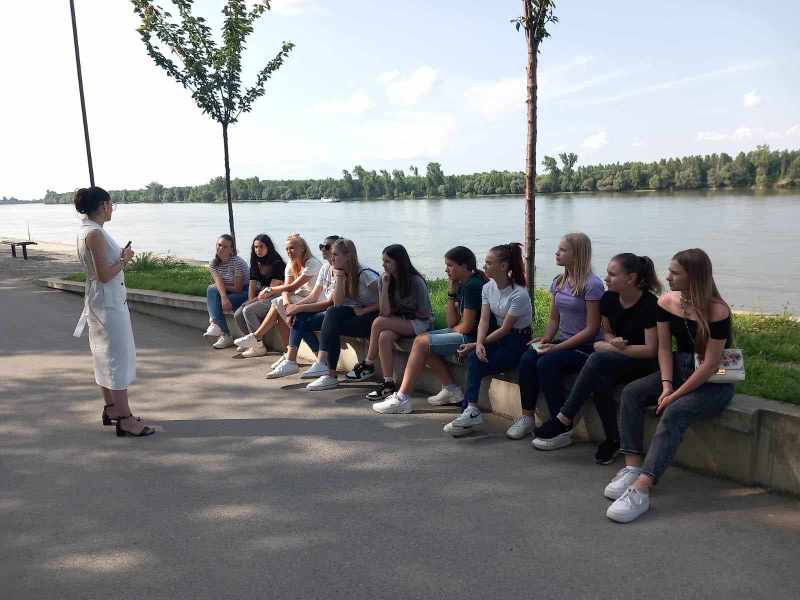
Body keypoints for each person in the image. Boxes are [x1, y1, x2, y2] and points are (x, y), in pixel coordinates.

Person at [605, 249, 735, 523]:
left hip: (713, 381)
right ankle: (632, 467)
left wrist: (675, 395)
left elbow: (711, 365)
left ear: (694, 277)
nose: (667, 277)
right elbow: (664, 349)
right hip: (677, 369)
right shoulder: (665, 302)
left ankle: (642, 489)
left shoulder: (718, 311)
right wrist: (666, 385)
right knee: (632, 393)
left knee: (675, 411)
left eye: (675, 273)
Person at [531, 253, 661, 463]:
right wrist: (611, 341)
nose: (606, 278)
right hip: (616, 358)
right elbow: (607, 332)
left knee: (597, 360)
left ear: (630, 278)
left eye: (612, 274)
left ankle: (564, 417)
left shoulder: (649, 304)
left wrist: (612, 348)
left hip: (643, 363)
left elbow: (651, 350)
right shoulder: (609, 299)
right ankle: (612, 440)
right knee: (600, 381)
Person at [507, 232, 604, 446]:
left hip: (587, 347)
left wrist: (556, 348)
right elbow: (553, 319)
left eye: (562, 250)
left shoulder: (592, 284)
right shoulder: (559, 281)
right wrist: (546, 340)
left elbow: (592, 329)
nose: (556, 253)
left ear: (577, 254)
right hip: (564, 342)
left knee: (547, 363)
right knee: (528, 358)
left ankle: (561, 426)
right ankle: (527, 417)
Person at [73, 186, 154, 437]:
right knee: (117, 358)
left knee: (104, 356)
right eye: (111, 205)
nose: (112, 209)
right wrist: (124, 259)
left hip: (100, 302)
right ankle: (125, 419)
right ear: (103, 206)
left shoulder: (86, 231)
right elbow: (104, 274)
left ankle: (112, 408)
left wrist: (118, 258)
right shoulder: (95, 234)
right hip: (108, 305)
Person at [372, 246, 486, 414]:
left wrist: (450, 330)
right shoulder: (463, 284)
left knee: (421, 342)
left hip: (474, 339)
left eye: (450, 265)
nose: (446, 270)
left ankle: (402, 398)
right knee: (423, 339)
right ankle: (451, 390)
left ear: (464, 266)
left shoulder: (473, 286)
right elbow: (452, 322)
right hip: (465, 333)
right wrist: (451, 293)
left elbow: (466, 327)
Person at [442, 243, 532, 436]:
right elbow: (483, 319)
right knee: (474, 358)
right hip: (499, 338)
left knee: (477, 359)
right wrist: (479, 344)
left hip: (517, 341)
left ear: (504, 266)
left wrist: (477, 344)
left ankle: (468, 413)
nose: (484, 266)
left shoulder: (519, 293)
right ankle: (471, 410)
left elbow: (506, 328)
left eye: (489, 263)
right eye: (485, 262)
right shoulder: (488, 288)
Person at [346, 244, 433, 402]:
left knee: (379, 322)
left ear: (399, 262)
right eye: (383, 261)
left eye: (388, 262)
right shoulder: (384, 279)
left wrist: (400, 314)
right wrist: (385, 287)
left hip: (420, 322)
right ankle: (388, 383)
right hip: (398, 320)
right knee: (384, 336)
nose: (383, 265)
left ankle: (368, 363)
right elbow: (385, 312)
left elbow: (424, 313)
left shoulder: (416, 281)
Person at [303, 239, 380, 391]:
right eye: (332, 255)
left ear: (348, 256)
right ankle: (327, 371)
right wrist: (339, 277)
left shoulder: (365, 274)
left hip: (375, 316)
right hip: (360, 314)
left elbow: (389, 299)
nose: (331, 258)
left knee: (332, 323)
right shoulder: (343, 274)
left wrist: (365, 310)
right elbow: (337, 304)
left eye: (335, 255)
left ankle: (327, 371)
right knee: (332, 313)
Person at [266, 235, 341, 378]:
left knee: (300, 316)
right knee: (299, 317)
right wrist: (293, 309)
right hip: (325, 309)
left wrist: (296, 308)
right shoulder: (325, 268)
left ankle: (292, 360)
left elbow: (329, 303)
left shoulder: (340, 271)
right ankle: (294, 360)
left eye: (327, 247)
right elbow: (312, 296)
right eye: (321, 246)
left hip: (335, 312)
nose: (323, 249)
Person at [234, 233, 322, 357]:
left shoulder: (312, 263)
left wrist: (271, 290)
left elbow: (292, 287)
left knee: (277, 303)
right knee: (280, 306)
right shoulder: (291, 264)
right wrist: (286, 303)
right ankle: (287, 353)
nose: (289, 251)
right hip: (300, 298)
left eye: (292, 248)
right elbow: (286, 288)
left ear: (303, 248)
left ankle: (257, 337)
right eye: (287, 249)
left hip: (316, 300)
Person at [233, 234, 286, 356]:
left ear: (268, 247)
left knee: (248, 310)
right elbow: (252, 284)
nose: (258, 250)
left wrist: (251, 302)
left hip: (275, 296)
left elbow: (271, 290)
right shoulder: (255, 262)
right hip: (262, 295)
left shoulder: (277, 263)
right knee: (238, 313)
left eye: (261, 247)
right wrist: (250, 300)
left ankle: (259, 346)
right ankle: (251, 342)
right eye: (256, 247)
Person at [204, 234, 250, 349]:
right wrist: (223, 295)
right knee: (211, 289)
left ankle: (223, 332)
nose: (221, 248)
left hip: (245, 291)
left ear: (231, 250)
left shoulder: (237, 262)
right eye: (219, 245)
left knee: (216, 298)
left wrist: (221, 289)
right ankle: (218, 328)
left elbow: (238, 288)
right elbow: (218, 282)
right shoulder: (213, 263)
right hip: (229, 291)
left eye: (225, 247)